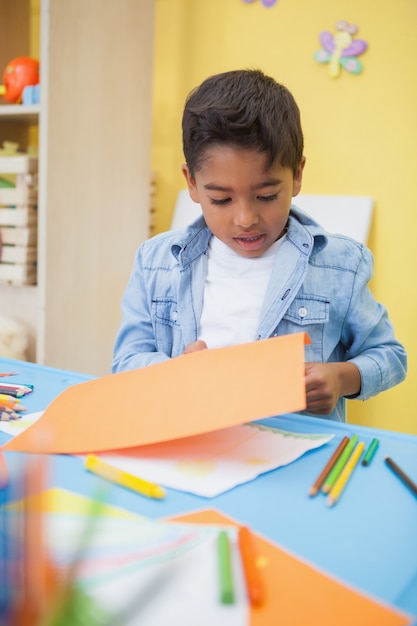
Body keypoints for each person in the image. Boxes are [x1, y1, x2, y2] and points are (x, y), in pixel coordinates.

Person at [112, 68, 407, 421]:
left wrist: (342, 378)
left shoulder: (340, 265)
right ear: (191, 183)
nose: (245, 218)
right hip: (190, 448)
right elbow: (127, 361)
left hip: (296, 456)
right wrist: (174, 373)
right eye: (221, 200)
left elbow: (389, 355)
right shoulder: (155, 262)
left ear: (297, 175)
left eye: (266, 196)